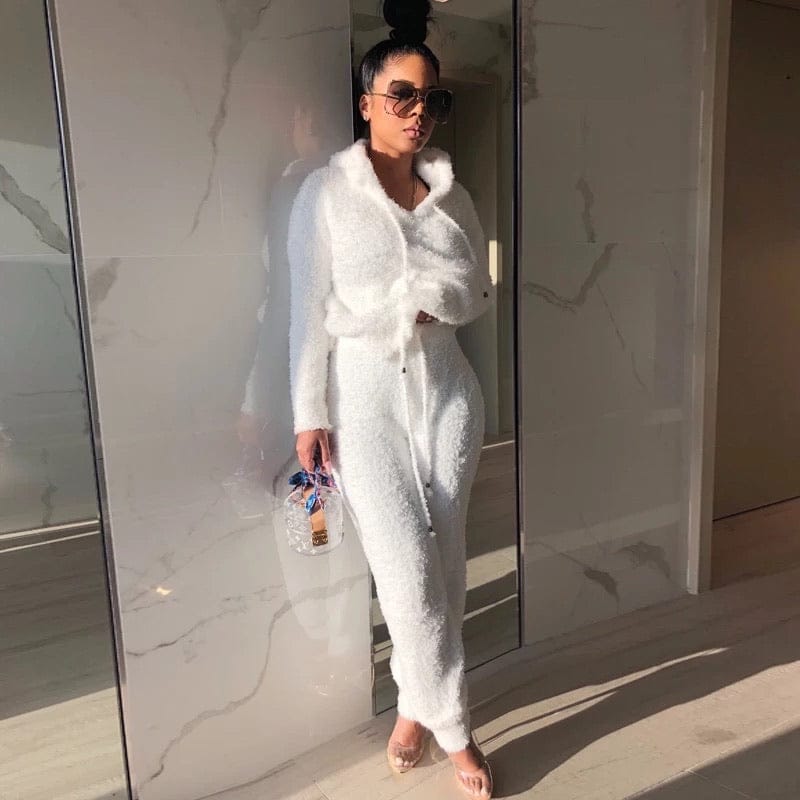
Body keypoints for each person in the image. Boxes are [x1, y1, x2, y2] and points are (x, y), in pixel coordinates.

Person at [287, 1, 494, 796]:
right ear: (367, 101)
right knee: (406, 568)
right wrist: (309, 413)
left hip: (448, 392)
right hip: (364, 397)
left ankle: (413, 706)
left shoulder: (452, 196)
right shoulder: (326, 194)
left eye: (430, 98)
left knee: (445, 557)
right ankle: (455, 728)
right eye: (401, 95)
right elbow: (306, 311)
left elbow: (477, 291)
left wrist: (437, 301)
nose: (417, 111)